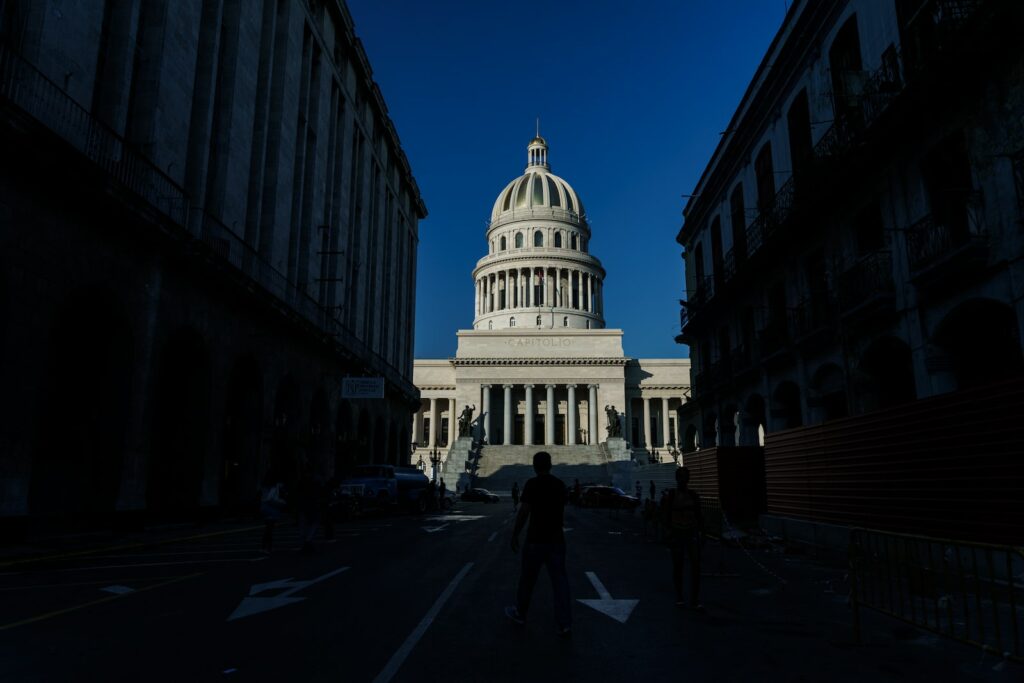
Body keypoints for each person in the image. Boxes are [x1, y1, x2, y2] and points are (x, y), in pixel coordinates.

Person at [505, 452, 572, 637]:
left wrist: (515, 534)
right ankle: (565, 623)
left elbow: (524, 511)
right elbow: (564, 505)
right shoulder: (559, 485)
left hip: (535, 539)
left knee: (527, 580)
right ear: (550, 465)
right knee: (560, 582)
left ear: (535, 466)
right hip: (557, 539)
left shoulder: (532, 484)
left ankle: (520, 613)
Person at [660, 467, 704, 609]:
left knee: (696, 567)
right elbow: (665, 516)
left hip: (691, 533)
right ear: (677, 478)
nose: (684, 480)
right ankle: (680, 597)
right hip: (677, 533)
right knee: (678, 566)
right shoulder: (671, 495)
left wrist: (702, 532)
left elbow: (699, 515)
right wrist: (667, 533)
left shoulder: (693, 495)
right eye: (682, 477)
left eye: (686, 477)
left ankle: (694, 599)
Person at [259, 473, 287, 554]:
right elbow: (270, 498)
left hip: (264, 507)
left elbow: (263, 497)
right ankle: (268, 547)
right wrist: (281, 502)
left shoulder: (264, 486)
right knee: (270, 529)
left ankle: (264, 547)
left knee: (268, 528)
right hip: (271, 507)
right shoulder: (274, 487)